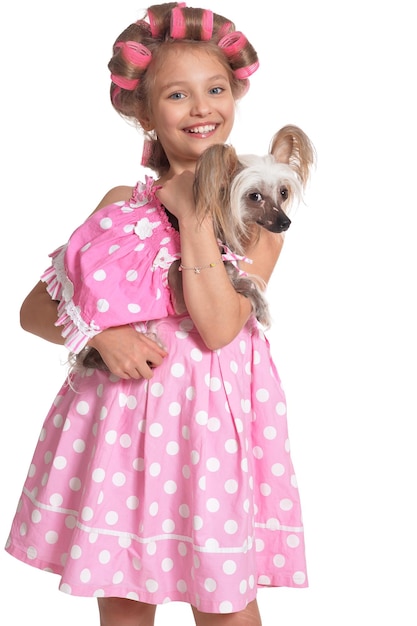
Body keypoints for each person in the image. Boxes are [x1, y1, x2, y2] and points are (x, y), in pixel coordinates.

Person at [5, 3, 310, 625]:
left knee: (224, 598)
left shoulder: (257, 210)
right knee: (123, 595)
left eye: (216, 89)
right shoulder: (121, 206)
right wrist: (104, 334)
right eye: (177, 94)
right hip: (122, 414)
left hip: (213, 423)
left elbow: (221, 325)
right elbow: (36, 309)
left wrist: (196, 212)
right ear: (145, 113)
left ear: (235, 96)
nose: (202, 109)